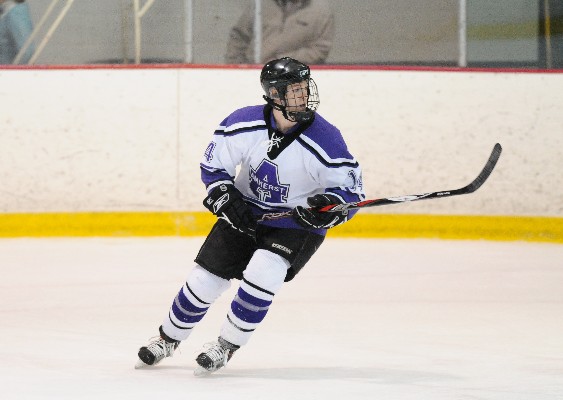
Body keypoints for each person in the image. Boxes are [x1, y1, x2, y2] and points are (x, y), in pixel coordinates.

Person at [135, 57, 365, 375]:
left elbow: (351, 194)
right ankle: (167, 339)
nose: (304, 96)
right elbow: (215, 167)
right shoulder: (243, 122)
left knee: (263, 271)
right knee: (204, 280)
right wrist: (224, 196)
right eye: (294, 90)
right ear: (274, 95)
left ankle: (225, 346)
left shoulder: (326, 138)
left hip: (295, 224)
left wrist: (330, 209)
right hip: (245, 213)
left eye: (304, 88)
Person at [225, 0, 334, 65]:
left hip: (295, 80)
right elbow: (239, 36)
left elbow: (320, 51)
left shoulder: (321, 11)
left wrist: (281, 61)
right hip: (252, 75)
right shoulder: (260, 4)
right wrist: (235, 67)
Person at [0, 0, 35, 64]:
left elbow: (27, 51)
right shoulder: (6, 13)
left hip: (9, 72)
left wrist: (15, 72)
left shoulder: (16, 13)